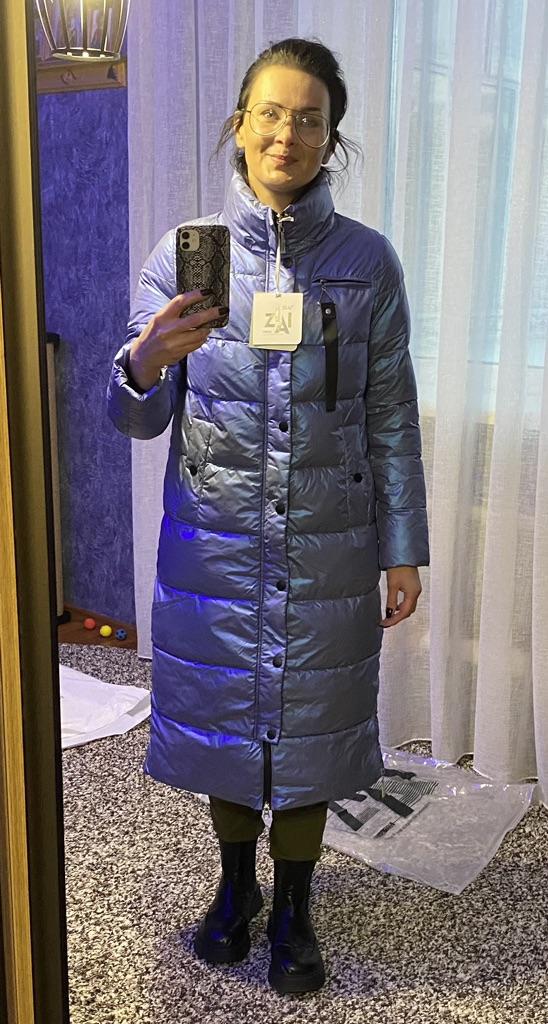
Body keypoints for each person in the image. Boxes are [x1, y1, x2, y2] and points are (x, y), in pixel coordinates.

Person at [107, 37, 429, 995]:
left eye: (309, 118)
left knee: (313, 727)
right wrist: (146, 362)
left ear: (331, 138)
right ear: (239, 124)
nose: (287, 133)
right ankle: (235, 883)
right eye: (271, 113)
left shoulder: (367, 262)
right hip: (217, 541)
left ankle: (294, 904)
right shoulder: (183, 256)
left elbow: (390, 412)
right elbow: (137, 418)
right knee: (225, 723)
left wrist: (403, 549)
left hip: (330, 540)